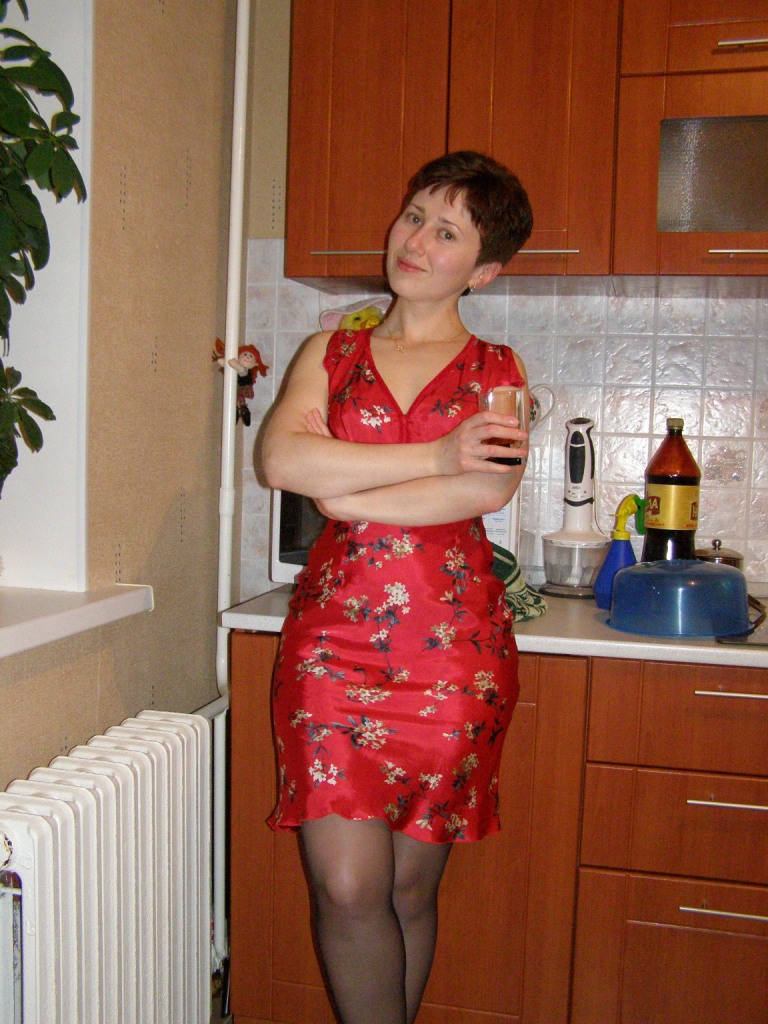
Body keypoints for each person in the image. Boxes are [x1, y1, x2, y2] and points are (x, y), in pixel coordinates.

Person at [261, 150, 533, 1024]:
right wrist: (437, 455)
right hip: (331, 650)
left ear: (484, 271)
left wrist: (348, 490)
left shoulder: (499, 370)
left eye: (447, 232)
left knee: (411, 892)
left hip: (453, 654)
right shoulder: (330, 351)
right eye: (414, 215)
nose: (416, 240)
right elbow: (282, 460)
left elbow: (484, 492)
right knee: (348, 890)